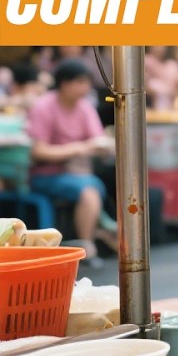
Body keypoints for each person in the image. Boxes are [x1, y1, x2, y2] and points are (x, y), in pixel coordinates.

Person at [25, 60, 115, 267]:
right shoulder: (44, 107)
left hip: (78, 174)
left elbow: (97, 139)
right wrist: (80, 148)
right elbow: (39, 151)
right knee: (89, 190)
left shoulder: (84, 107)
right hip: (45, 175)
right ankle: (88, 246)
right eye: (81, 82)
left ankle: (103, 229)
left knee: (98, 183)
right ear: (65, 84)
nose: (86, 88)